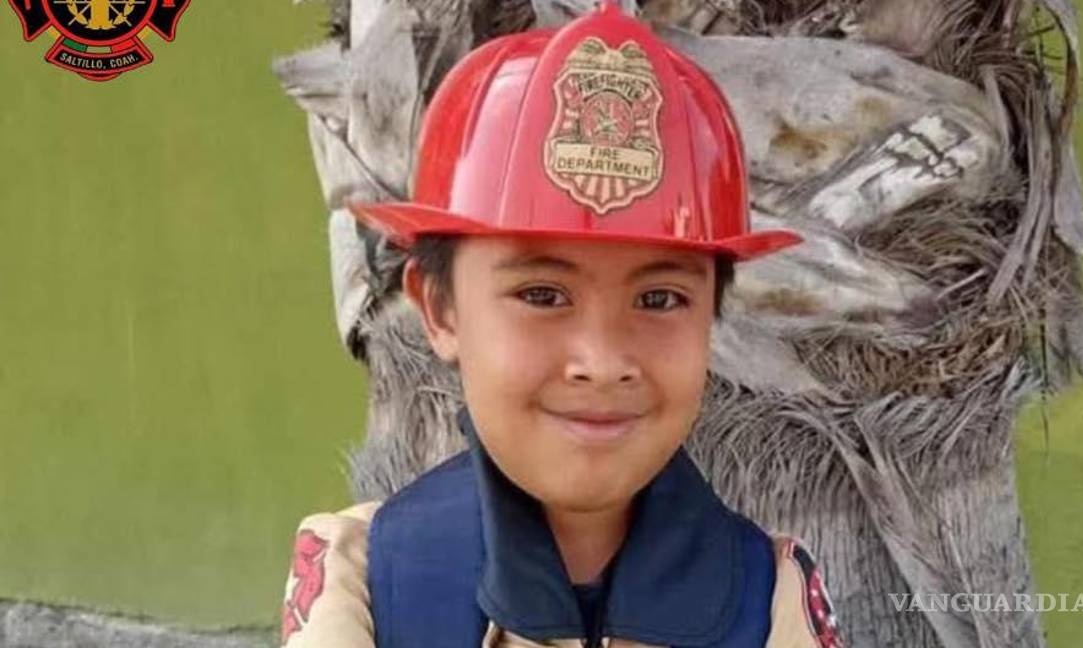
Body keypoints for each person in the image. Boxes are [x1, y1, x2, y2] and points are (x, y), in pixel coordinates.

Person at [280, 3, 843, 646]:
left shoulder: (768, 600)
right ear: (439, 309)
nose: (602, 360)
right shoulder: (369, 581)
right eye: (543, 294)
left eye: (659, 300)